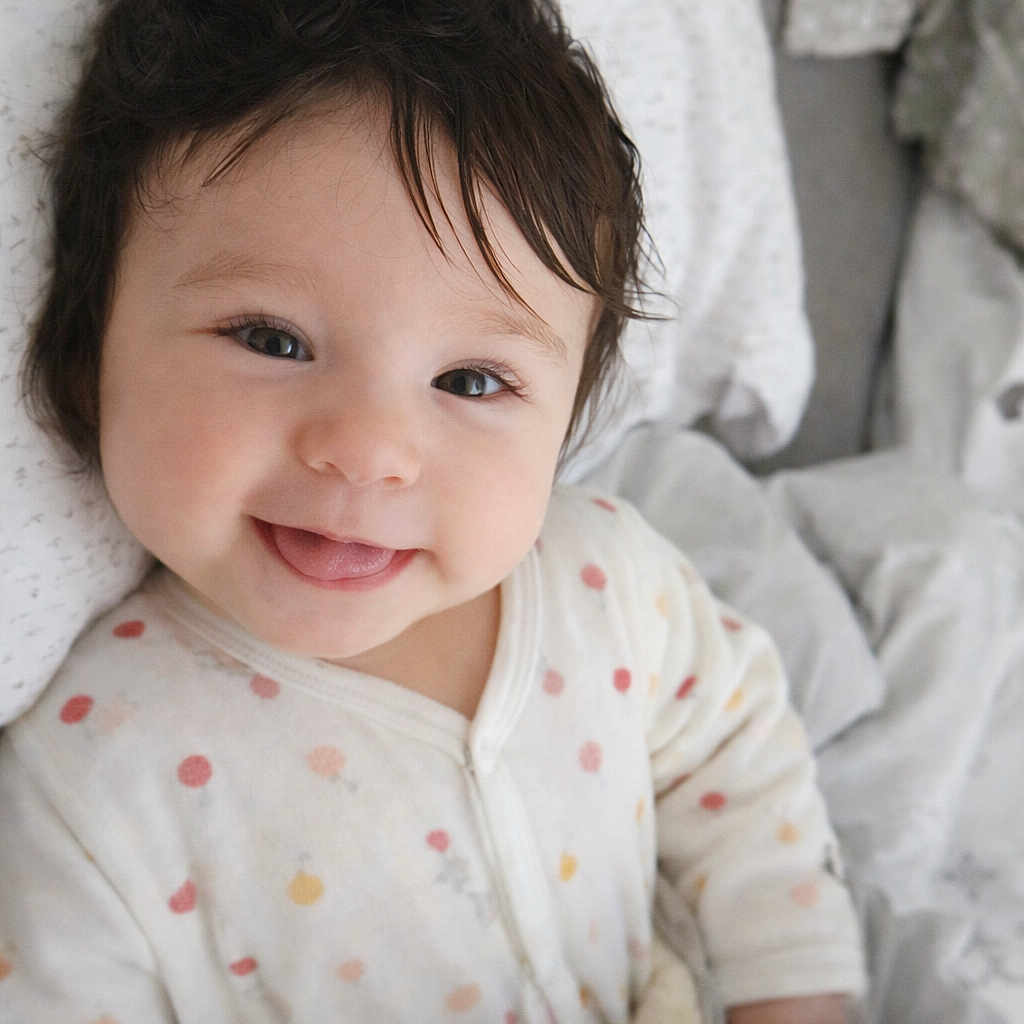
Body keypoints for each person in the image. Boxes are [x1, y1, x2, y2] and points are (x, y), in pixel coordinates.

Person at [2, 1, 865, 1021]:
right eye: (272, 340)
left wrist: (795, 990)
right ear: (87, 348)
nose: (369, 450)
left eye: (469, 381)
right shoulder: (86, 779)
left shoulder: (607, 585)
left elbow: (739, 767)